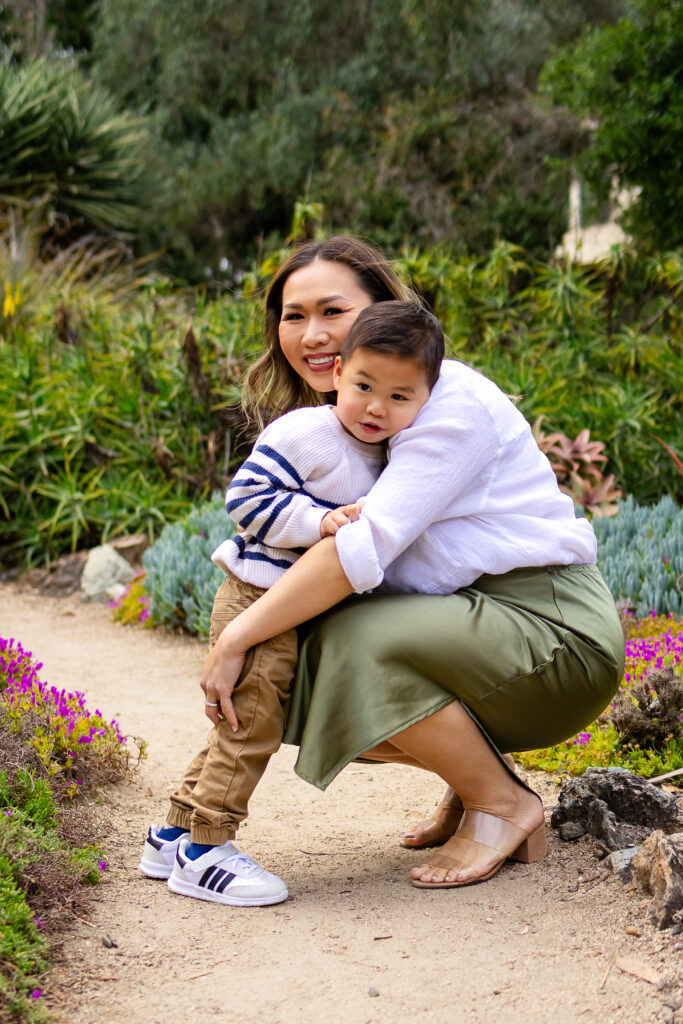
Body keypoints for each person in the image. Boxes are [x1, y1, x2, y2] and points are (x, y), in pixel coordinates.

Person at [197, 235, 625, 892]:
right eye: (292, 314)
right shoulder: (365, 410)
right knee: (304, 670)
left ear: (380, 309)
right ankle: (478, 784)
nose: (313, 334)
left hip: (553, 632)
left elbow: (357, 552)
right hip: (477, 621)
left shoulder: (446, 405)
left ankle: (502, 805)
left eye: (332, 311)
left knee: (347, 643)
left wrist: (236, 635)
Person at [139, 300, 445, 905]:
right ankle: (206, 850)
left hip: (288, 604)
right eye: (362, 386)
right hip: (258, 596)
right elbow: (245, 498)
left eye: (399, 397)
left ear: (427, 399)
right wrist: (318, 521)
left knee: (241, 719)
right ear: (338, 375)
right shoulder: (310, 432)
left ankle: (172, 834)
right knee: (250, 723)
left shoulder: (389, 451)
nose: (376, 407)